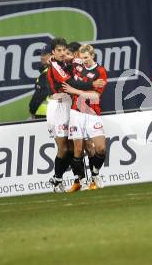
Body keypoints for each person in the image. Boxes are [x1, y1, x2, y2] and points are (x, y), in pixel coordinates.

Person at [47, 38, 104, 193]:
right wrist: (92, 84)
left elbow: (82, 61)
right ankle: (58, 179)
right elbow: (71, 83)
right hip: (58, 106)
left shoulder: (69, 61)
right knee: (65, 148)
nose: (62, 53)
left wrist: (74, 58)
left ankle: (86, 179)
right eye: (58, 50)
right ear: (53, 52)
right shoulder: (55, 65)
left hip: (72, 104)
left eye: (64, 50)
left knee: (78, 146)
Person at [63, 44, 108, 192]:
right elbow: (69, 57)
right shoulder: (78, 64)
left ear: (93, 56)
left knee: (100, 148)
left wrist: (73, 90)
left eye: (87, 58)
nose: (85, 61)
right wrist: (54, 59)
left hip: (92, 113)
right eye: (82, 58)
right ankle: (82, 180)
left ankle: (95, 174)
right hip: (76, 112)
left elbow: (95, 95)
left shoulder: (100, 71)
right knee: (77, 148)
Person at [29, 45, 51, 119]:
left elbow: (39, 95)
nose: (41, 57)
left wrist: (32, 110)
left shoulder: (48, 73)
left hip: (44, 114)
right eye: (41, 54)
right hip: (51, 113)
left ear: (52, 56)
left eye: (44, 54)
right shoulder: (53, 71)